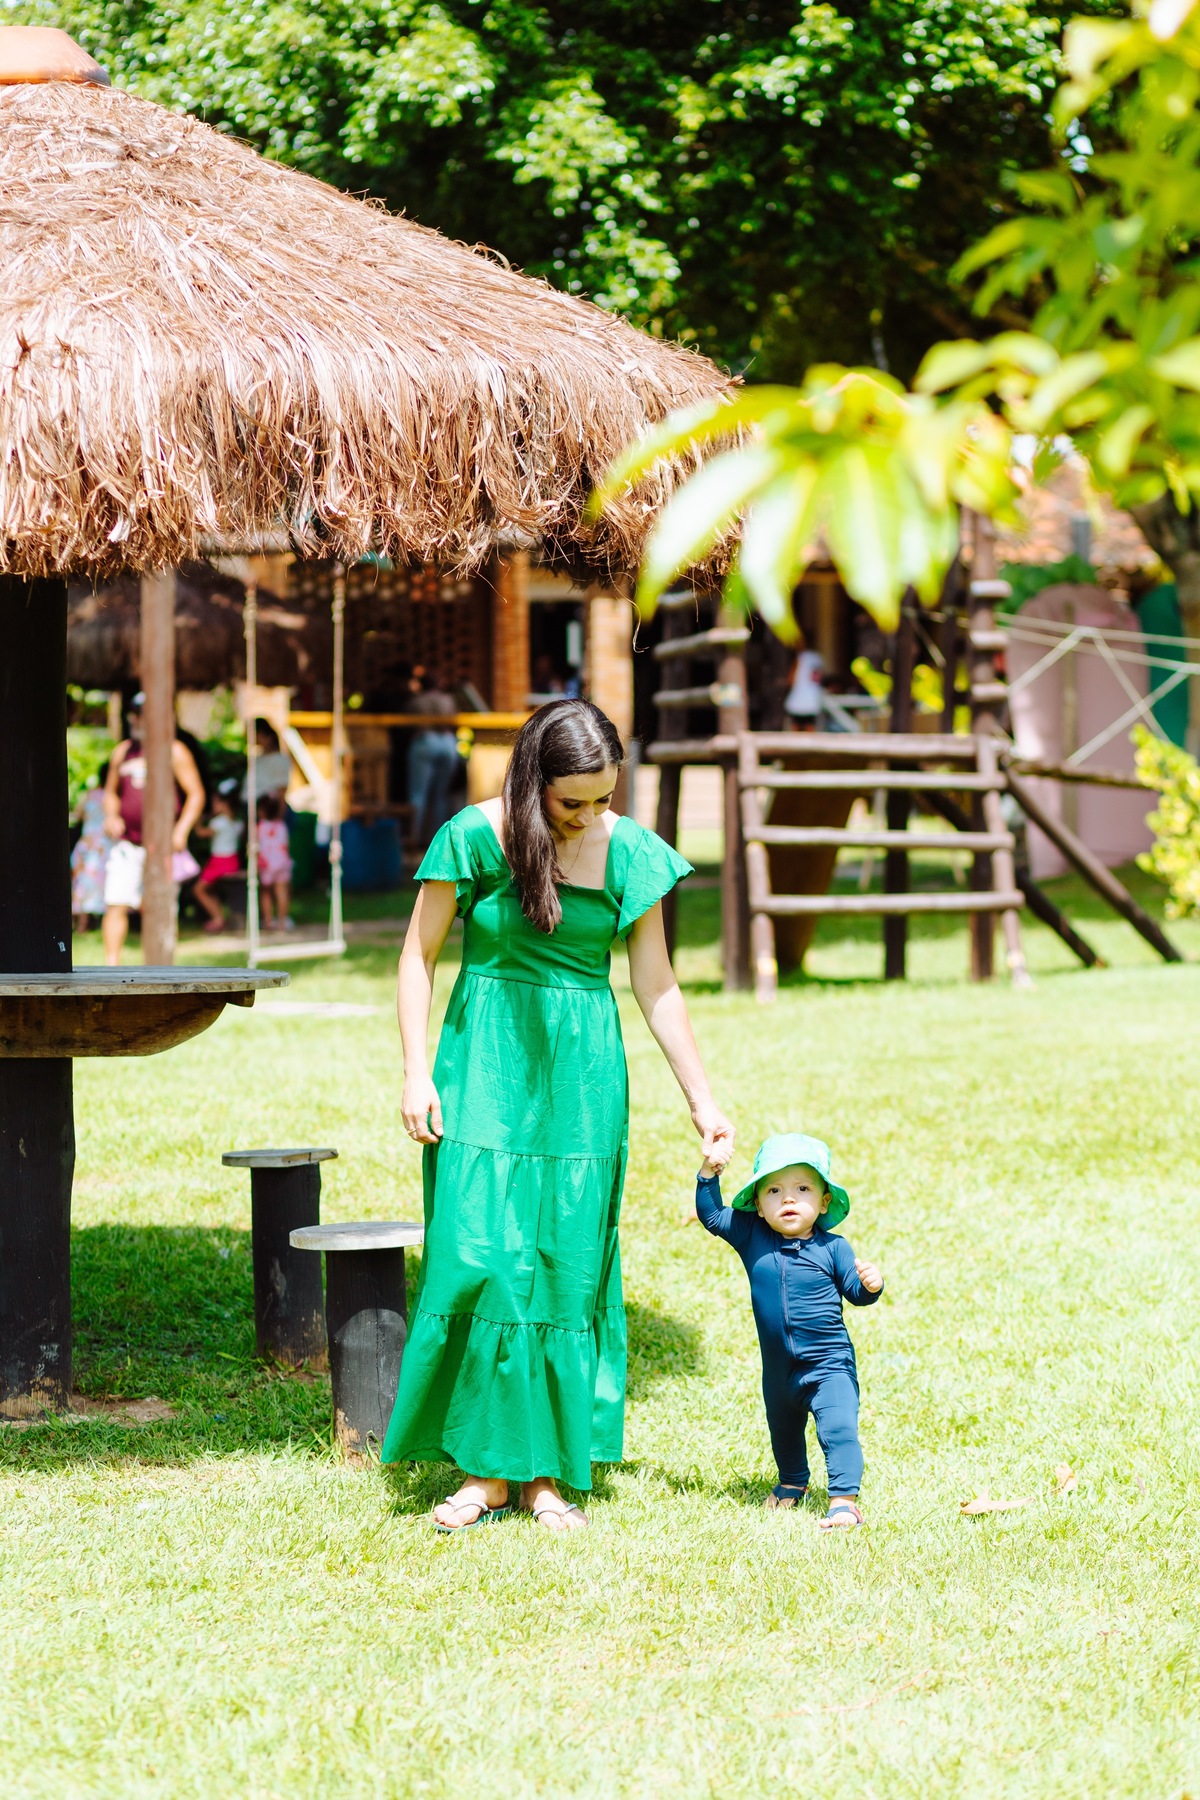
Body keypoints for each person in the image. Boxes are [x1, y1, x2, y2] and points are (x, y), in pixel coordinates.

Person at [383, 698, 735, 1532]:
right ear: (531, 779)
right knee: (481, 1255)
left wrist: (703, 1100)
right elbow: (416, 955)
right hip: (484, 1069)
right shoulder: (472, 837)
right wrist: (415, 1072)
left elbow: (656, 984)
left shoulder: (631, 854)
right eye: (570, 801)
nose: (587, 817)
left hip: (582, 1082)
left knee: (563, 1261)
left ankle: (542, 1475)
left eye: (602, 800)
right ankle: (482, 1473)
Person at [695, 1132, 884, 1530]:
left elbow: (854, 1292)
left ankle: (844, 1501)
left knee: (838, 1428)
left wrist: (870, 1285)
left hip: (829, 1364)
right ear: (759, 1206)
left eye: (802, 1188)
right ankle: (793, 1482)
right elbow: (712, 1215)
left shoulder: (834, 1248)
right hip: (779, 1368)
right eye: (775, 1190)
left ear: (824, 1200)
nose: (788, 1199)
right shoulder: (752, 1235)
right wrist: (709, 1174)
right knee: (783, 1428)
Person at [101, 694, 206, 964]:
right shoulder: (122, 751)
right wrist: (111, 815)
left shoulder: (175, 751)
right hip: (127, 844)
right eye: (136, 714)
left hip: (162, 846)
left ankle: (161, 967)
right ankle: (112, 966)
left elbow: (196, 794)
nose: (138, 720)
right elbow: (111, 793)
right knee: (116, 903)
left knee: (160, 908)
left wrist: (181, 830)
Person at [405, 667, 461, 845]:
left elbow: (406, 715)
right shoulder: (448, 699)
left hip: (425, 739)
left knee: (418, 794)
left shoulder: (418, 700)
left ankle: (415, 837)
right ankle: (440, 840)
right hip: (447, 741)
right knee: (441, 796)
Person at [192, 780, 245, 934]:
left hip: (219, 862)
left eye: (216, 802)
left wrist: (196, 820)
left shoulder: (219, 822)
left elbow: (201, 833)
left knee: (199, 890)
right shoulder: (237, 822)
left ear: (224, 803)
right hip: (232, 860)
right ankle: (220, 916)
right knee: (210, 890)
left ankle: (217, 918)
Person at [71, 765, 112, 931]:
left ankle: (82, 924)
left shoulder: (90, 795)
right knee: (106, 880)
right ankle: (105, 922)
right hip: (104, 844)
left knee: (82, 881)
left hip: (87, 843)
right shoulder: (113, 796)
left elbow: (77, 815)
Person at [256, 792, 294, 931]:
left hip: (267, 864)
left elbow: (256, 847)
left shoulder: (259, 827)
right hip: (282, 862)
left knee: (266, 892)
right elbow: (286, 845)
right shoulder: (282, 826)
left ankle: (268, 921)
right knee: (281, 891)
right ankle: (282, 921)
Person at [784, 633, 826, 731]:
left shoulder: (800, 658)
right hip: (812, 699)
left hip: (799, 700)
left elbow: (791, 680)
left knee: (796, 727)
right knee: (810, 727)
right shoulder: (817, 658)